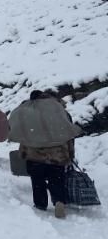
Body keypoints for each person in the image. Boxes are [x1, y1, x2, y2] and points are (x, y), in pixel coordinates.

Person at [17, 90, 76, 219]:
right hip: (58, 154)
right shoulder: (62, 113)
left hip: (35, 154)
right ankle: (59, 201)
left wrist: (23, 152)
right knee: (57, 180)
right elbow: (70, 136)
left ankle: (40, 205)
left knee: (38, 181)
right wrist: (71, 154)